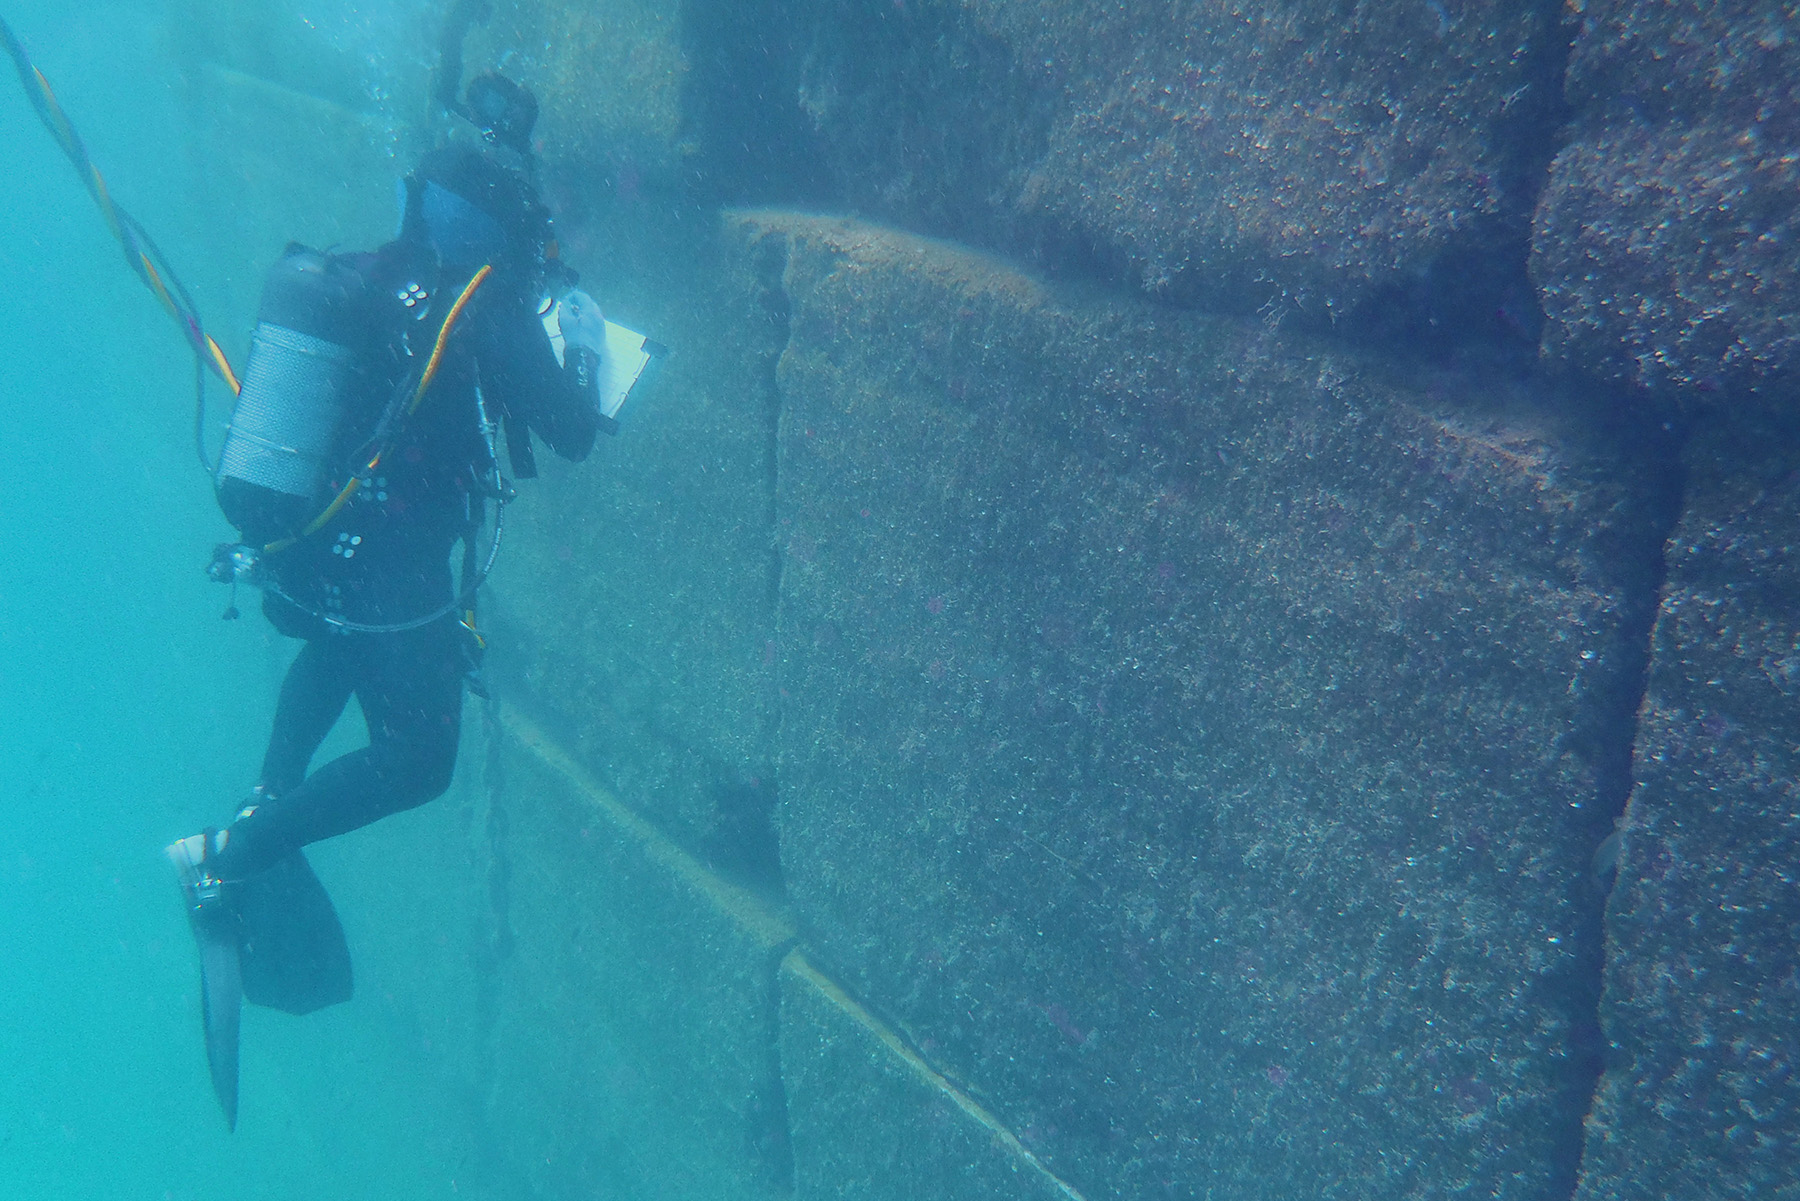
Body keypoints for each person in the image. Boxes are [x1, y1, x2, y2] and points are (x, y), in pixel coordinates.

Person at [166, 71, 609, 1129]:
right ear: (504, 230)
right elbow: (574, 428)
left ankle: (265, 800)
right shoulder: (485, 301)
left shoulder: (377, 275)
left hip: (313, 546)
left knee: (332, 649)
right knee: (421, 760)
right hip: (391, 559)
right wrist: (577, 326)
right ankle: (232, 854)